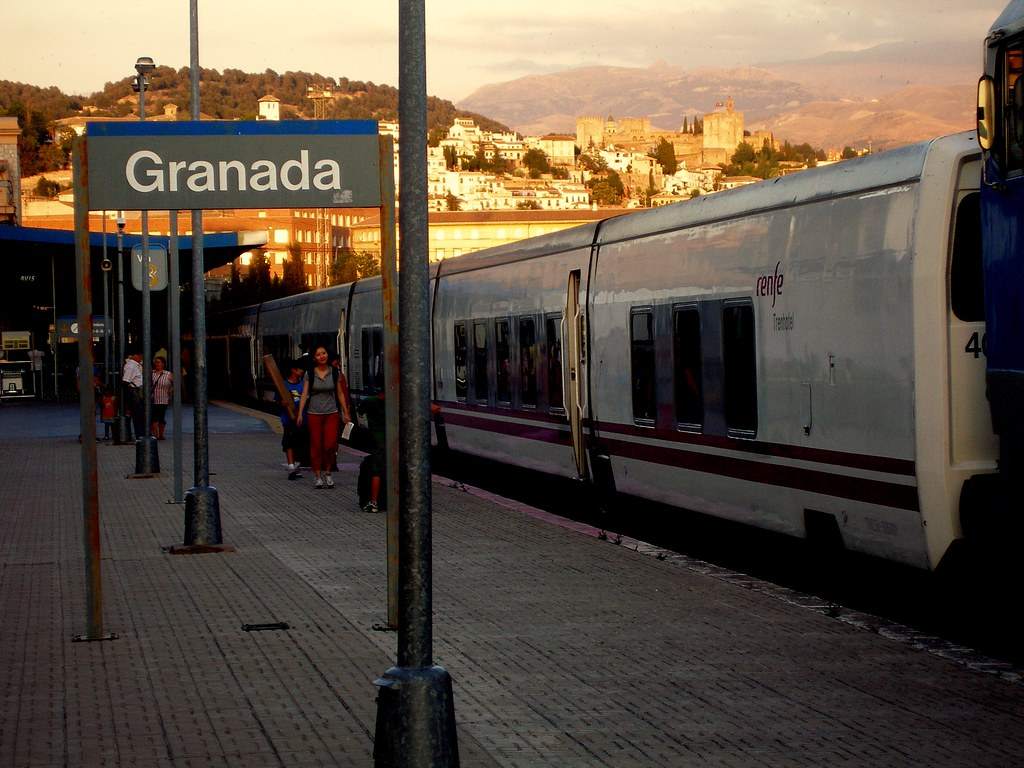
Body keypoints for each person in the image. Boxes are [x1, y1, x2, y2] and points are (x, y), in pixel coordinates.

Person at [296, 346, 352, 490]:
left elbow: (339, 393)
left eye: (324, 353)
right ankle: (317, 475)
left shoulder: (335, 372)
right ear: (315, 358)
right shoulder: (310, 374)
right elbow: (304, 394)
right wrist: (300, 413)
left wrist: (345, 412)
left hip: (331, 413)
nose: (322, 356)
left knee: (330, 445)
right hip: (314, 414)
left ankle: (328, 472)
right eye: (319, 354)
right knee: (316, 446)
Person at [278, 360, 306, 480]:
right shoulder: (283, 385)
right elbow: (277, 401)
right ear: (293, 370)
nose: (302, 371)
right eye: (300, 369)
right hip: (287, 419)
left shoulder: (304, 384)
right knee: (289, 442)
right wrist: (282, 403)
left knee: (299, 443)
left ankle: (297, 466)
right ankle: (291, 467)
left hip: (302, 419)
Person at [121, 351, 144, 441]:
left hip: (136, 391)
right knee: (137, 415)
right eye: (141, 356)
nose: (142, 358)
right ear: (136, 355)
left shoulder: (136, 364)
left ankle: (140, 434)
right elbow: (126, 380)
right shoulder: (131, 365)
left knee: (139, 414)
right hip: (134, 392)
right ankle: (139, 435)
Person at [150, 356, 173, 440]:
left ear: (163, 364)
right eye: (156, 362)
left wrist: (170, 392)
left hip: (163, 399)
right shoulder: (151, 373)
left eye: (159, 362)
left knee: (161, 418)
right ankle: (156, 435)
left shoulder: (168, 374)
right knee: (154, 418)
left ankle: (161, 434)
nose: (157, 364)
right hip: (153, 399)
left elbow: (175, 385)